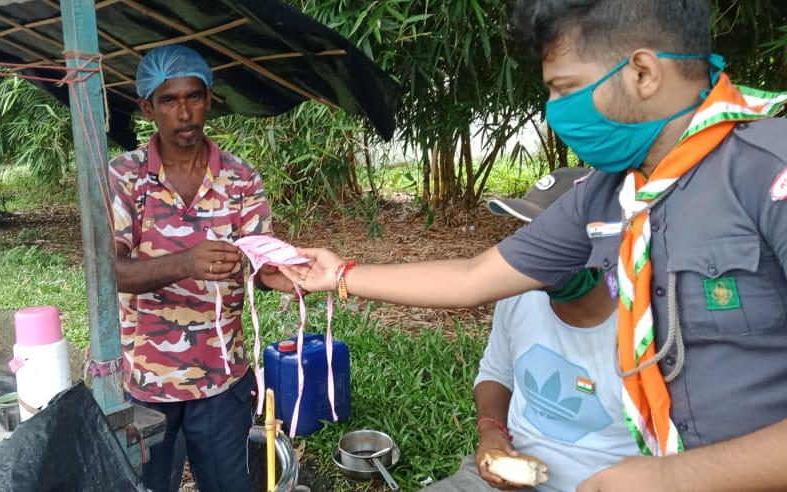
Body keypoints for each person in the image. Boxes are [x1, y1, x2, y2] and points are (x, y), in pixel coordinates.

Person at [282, 1, 787, 490]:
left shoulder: (768, 175)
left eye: (566, 89)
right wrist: (340, 274)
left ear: (643, 73)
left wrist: (673, 479)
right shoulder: (606, 196)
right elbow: (473, 277)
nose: (554, 113)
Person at [108, 45, 290, 492]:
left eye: (193, 97)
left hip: (222, 379)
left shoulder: (240, 177)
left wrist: (290, 274)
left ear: (209, 99)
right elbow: (111, 272)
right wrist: (187, 262)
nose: (184, 112)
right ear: (147, 107)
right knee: (145, 486)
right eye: (169, 101)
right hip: (147, 382)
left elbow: (261, 267)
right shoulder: (123, 178)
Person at [429, 167, 638, 492]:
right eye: (530, 234)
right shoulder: (518, 296)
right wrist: (492, 430)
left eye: (555, 240)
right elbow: (495, 374)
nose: (535, 255)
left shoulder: (643, 330)